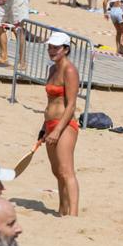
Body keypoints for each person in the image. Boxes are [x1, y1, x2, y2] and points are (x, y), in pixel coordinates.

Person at [41, 31, 80, 216]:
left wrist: (57, 130)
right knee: (57, 172)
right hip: (50, 124)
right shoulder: (52, 69)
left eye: (56, 47)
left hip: (64, 125)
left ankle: (73, 214)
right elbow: (50, 102)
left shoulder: (69, 70)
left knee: (66, 171)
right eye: (50, 47)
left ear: (65, 49)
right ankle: (62, 210)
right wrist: (44, 128)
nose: (51, 50)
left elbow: (71, 105)